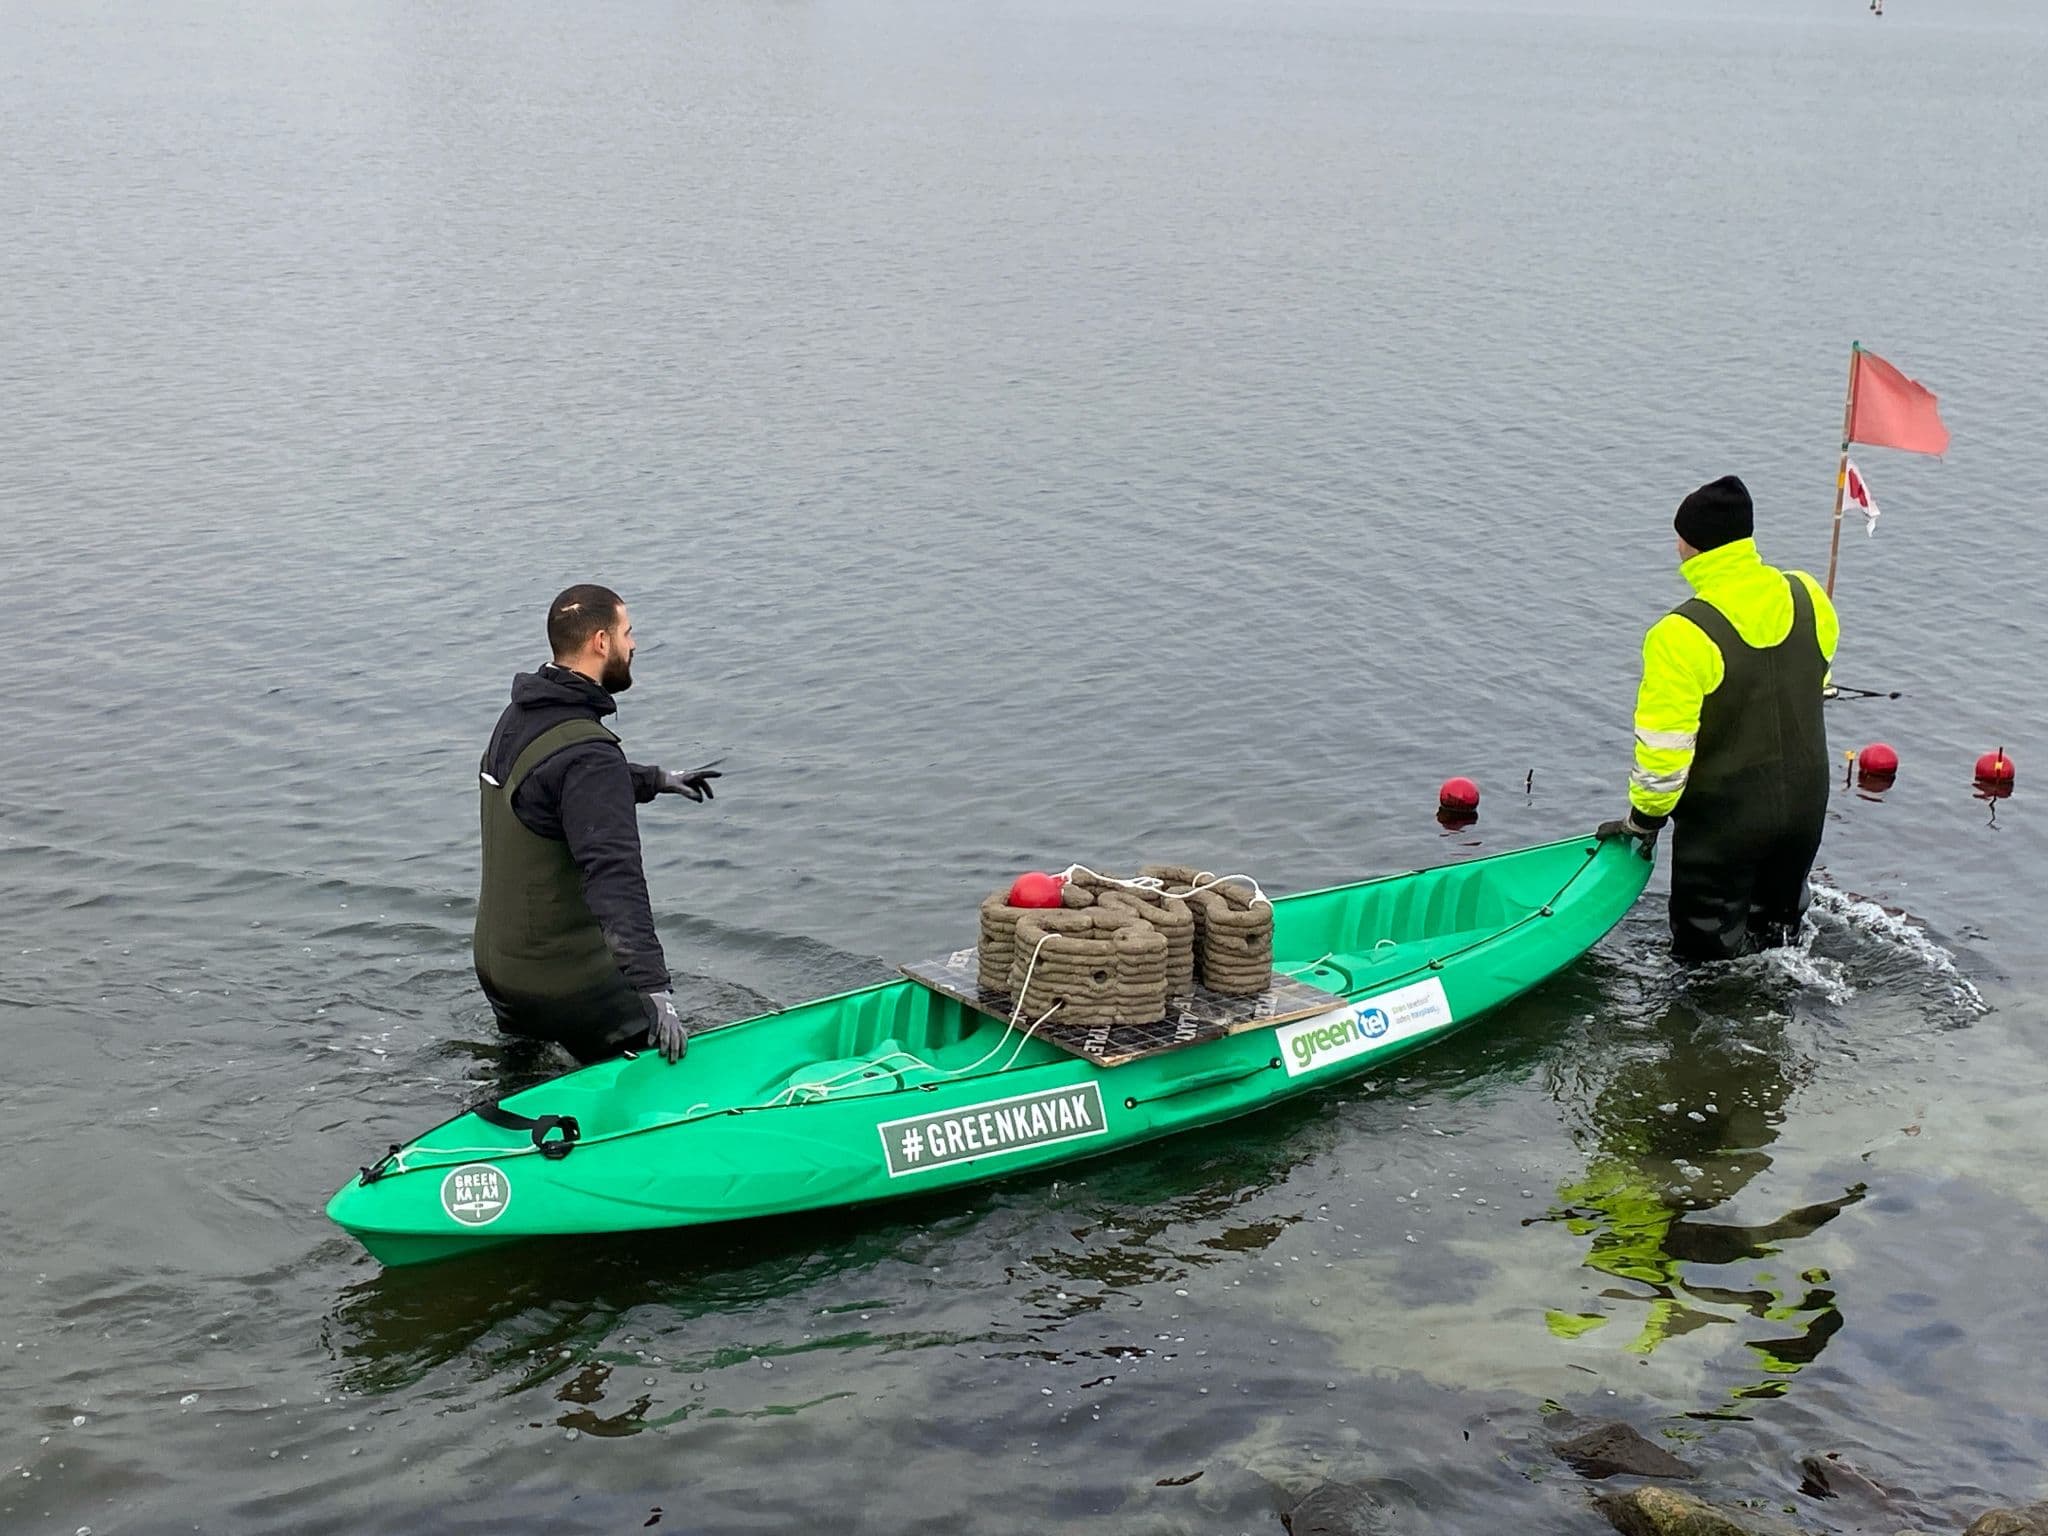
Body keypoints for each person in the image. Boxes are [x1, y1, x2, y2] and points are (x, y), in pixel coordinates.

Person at [472, 584, 722, 1065]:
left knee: (526, 1085)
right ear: (601, 642)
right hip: (560, 982)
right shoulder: (590, 755)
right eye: (629, 633)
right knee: (670, 1061)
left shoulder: (520, 716)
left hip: (500, 970)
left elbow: (548, 787)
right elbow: (615, 879)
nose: (634, 645)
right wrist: (656, 991)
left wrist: (657, 780)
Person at [1599, 475, 1839, 961]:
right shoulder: (1808, 594)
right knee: (1781, 941)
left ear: (1691, 546)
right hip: (1806, 804)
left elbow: (1664, 754)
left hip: (1725, 825)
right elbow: (1816, 677)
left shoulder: (1679, 634)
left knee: (1705, 963)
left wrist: (1644, 820)